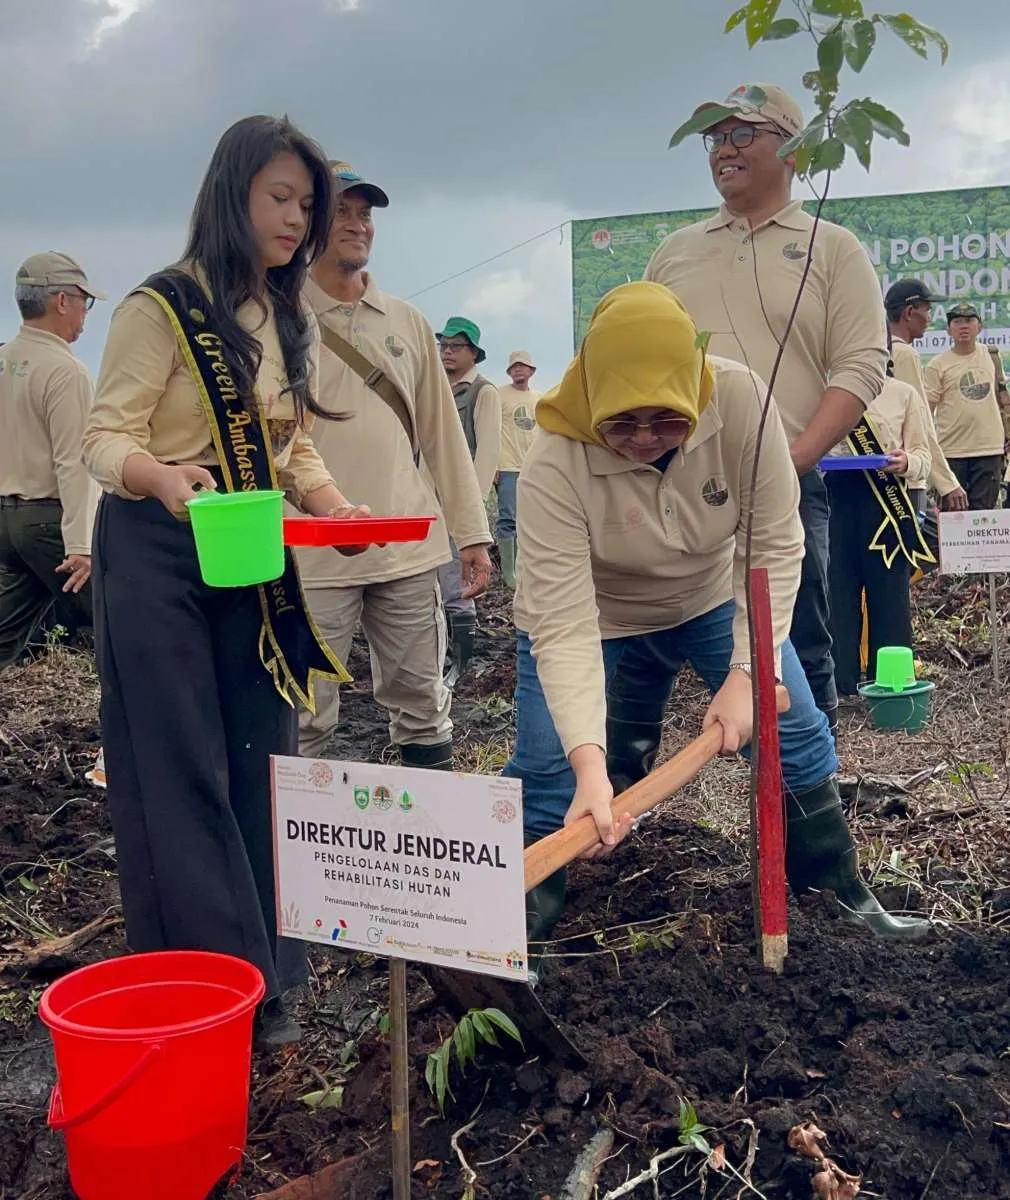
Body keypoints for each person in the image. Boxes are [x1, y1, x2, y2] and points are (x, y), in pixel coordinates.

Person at [504, 282, 927, 973]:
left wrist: (744, 673)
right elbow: (563, 621)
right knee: (550, 766)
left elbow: (774, 546)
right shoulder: (554, 456)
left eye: (663, 420)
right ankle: (523, 936)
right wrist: (587, 762)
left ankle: (839, 896)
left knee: (796, 729)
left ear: (690, 394)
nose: (643, 439)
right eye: (622, 423)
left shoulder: (738, 402)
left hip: (709, 599)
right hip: (599, 615)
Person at [82, 115, 374, 1048]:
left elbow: (292, 446)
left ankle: (271, 974)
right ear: (232, 194)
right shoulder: (157, 307)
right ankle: (210, 979)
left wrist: (333, 508)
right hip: (159, 544)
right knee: (180, 761)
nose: (298, 221)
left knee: (262, 748)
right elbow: (104, 439)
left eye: (308, 205)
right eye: (281, 199)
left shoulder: (289, 316)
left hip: (247, 544)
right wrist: (163, 479)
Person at [646, 82, 888, 738]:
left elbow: (862, 365)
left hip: (787, 481)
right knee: (649, 645)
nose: (724, 149)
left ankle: (812, 792)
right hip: (676, 486)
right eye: (715, 138)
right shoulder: (676, 252)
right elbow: (642, 361)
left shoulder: (830, 248)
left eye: (743, 133)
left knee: (797, 642)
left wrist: (792, 458)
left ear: (796, 147)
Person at [296, 162, 492, 769]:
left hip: (407, 544)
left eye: (365, 214)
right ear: (304, 222)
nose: (357, 226)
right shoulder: (278, 317)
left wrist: (473, 533)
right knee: (304, 708)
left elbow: (441, 434)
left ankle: (431, 848)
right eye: (340, 213)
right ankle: (293, 851)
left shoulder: (406, 320)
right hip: (310, 550)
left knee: (422, 697)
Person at [0, 253, 103, 668]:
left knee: (7, 635)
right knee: (117, 619)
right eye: (84, 301)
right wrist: (82, 546)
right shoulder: (65, 372)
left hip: (5, 523)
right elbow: (75, 464)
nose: (85, 314)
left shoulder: (4, 359)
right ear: (62, 301)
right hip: (47, 521)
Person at [826, 362, 932, 697]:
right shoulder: (821, 393)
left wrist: (907, 463)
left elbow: (923, 456)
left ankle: (891, 686)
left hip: (887, 505)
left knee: (890, 599)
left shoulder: (902, 393)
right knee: (836, 597)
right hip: (833, 500)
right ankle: (837, 686)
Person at [436, 317, 500, 685]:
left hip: (459, 506)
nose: (448, 351)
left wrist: (469, 511)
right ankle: (442, 655)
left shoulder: (481, 392)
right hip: (429, 498)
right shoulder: (436, 388)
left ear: (473, 352)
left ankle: (460, 663)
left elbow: (486, 453)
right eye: (445, 344)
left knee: (456, 583)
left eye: (456, 346)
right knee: (431, 581)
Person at [883, 279, 967, 513]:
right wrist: (947, 483)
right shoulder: (905, 354)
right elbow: (922, 425)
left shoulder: (879, 352)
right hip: (907, 475)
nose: (930, 317)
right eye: (927, 309)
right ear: (910, 313)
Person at [924, 303, 1010, 510]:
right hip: (952, 452)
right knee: (954, 520)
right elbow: (926, 410)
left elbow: (1003, 400)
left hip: (989, 450)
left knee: (984, 518)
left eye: (970, 320)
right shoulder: (937, 364)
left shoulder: (992, 356)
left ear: (979, 327)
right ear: (948, 330)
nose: (964, 326)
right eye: (957, 321)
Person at [494, 350, 540, 589]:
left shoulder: (539, 400)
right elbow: (490, 430)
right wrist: (493, 465)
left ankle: (525, 568)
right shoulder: (498, 395)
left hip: (531, 467)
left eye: (523, 366)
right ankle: (508, 573)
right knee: (508, 518)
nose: (518, 370)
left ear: (531, 371)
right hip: (507, 464)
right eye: (514, 367)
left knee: (529, 519)